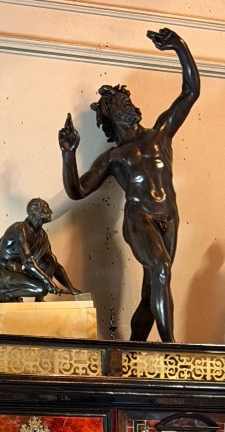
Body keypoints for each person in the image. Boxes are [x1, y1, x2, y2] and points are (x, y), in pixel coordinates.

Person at [58, 28, 200, 343]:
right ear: (111, 115)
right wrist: (69, 155)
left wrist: (179, 47)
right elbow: (78, 191)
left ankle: (135, 347)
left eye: (127, 99)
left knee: (154, 286)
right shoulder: (115, 157)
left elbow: (191, 91)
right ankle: (171, 350)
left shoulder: (160, 133)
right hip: (141, 218)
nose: (128, 105)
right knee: (161, 269)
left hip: (170, 217)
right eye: (121, 103)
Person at [0, 198, 78, 302]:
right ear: (34, 213)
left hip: (20, 273)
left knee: (49, 260)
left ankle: (39, 300)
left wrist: (70, 287)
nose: (50, 211)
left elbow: (54, 264)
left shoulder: (41, 234)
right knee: (41, 288)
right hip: (5, 275)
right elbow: (28, 261)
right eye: (45, 208)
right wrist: (48, 282)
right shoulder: (20, 229)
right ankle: (4, 293)